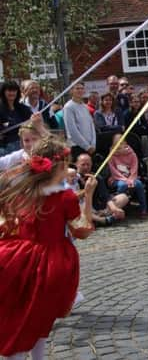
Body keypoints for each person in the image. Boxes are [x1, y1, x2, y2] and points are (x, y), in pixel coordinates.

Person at [0, 136, 97, 359]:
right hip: (48, 265)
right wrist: (89, 195)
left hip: (17, 260)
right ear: (60, 167)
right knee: (39, 318)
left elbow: (7, 224)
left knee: (23, 314)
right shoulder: (65, 197)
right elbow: (82, 230)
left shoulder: (20, 192)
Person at [107, 133, 147, 216]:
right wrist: (125, 180)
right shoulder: (111, 156)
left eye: (121, 143)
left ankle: (143, 208)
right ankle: (117, 207)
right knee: (122, 185)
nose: (119, 145)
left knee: (139, 184)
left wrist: (131, 179)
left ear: (125, 143)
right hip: (117, 178)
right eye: (116, 143)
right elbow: (114, 171)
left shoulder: (132, 154)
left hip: (131, 177)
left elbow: (134, 168)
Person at [63, 82, 96, 161]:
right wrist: (86, 146)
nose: (80, 90)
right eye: (77, 88)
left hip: (90, 146)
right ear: (71, 91)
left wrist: (93, 144)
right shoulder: (68, 107)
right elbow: (72, 130)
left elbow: (91, 125)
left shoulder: (85, 106)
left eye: (82, 88)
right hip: (77, 147)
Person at [0, 80, 33, 155]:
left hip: (24, 144)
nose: (12, 93)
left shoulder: (24, 108)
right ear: (3, 92)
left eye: (14, 90)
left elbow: (31, 123)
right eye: (9, 90)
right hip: (5, 147)